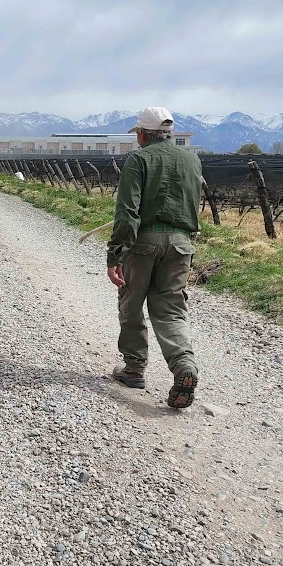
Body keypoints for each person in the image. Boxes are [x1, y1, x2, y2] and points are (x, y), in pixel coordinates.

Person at [106, 106, 202, 408]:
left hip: (143, 243)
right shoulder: (192, 159)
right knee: (171, 309)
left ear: (144, 134)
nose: (138, 140)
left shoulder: (138, 159)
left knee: (132, 303)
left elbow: (127, 212)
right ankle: (183, 365)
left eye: (138, 135)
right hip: (181, 243)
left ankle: (134, 369)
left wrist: (115, 254)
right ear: (169, 132)